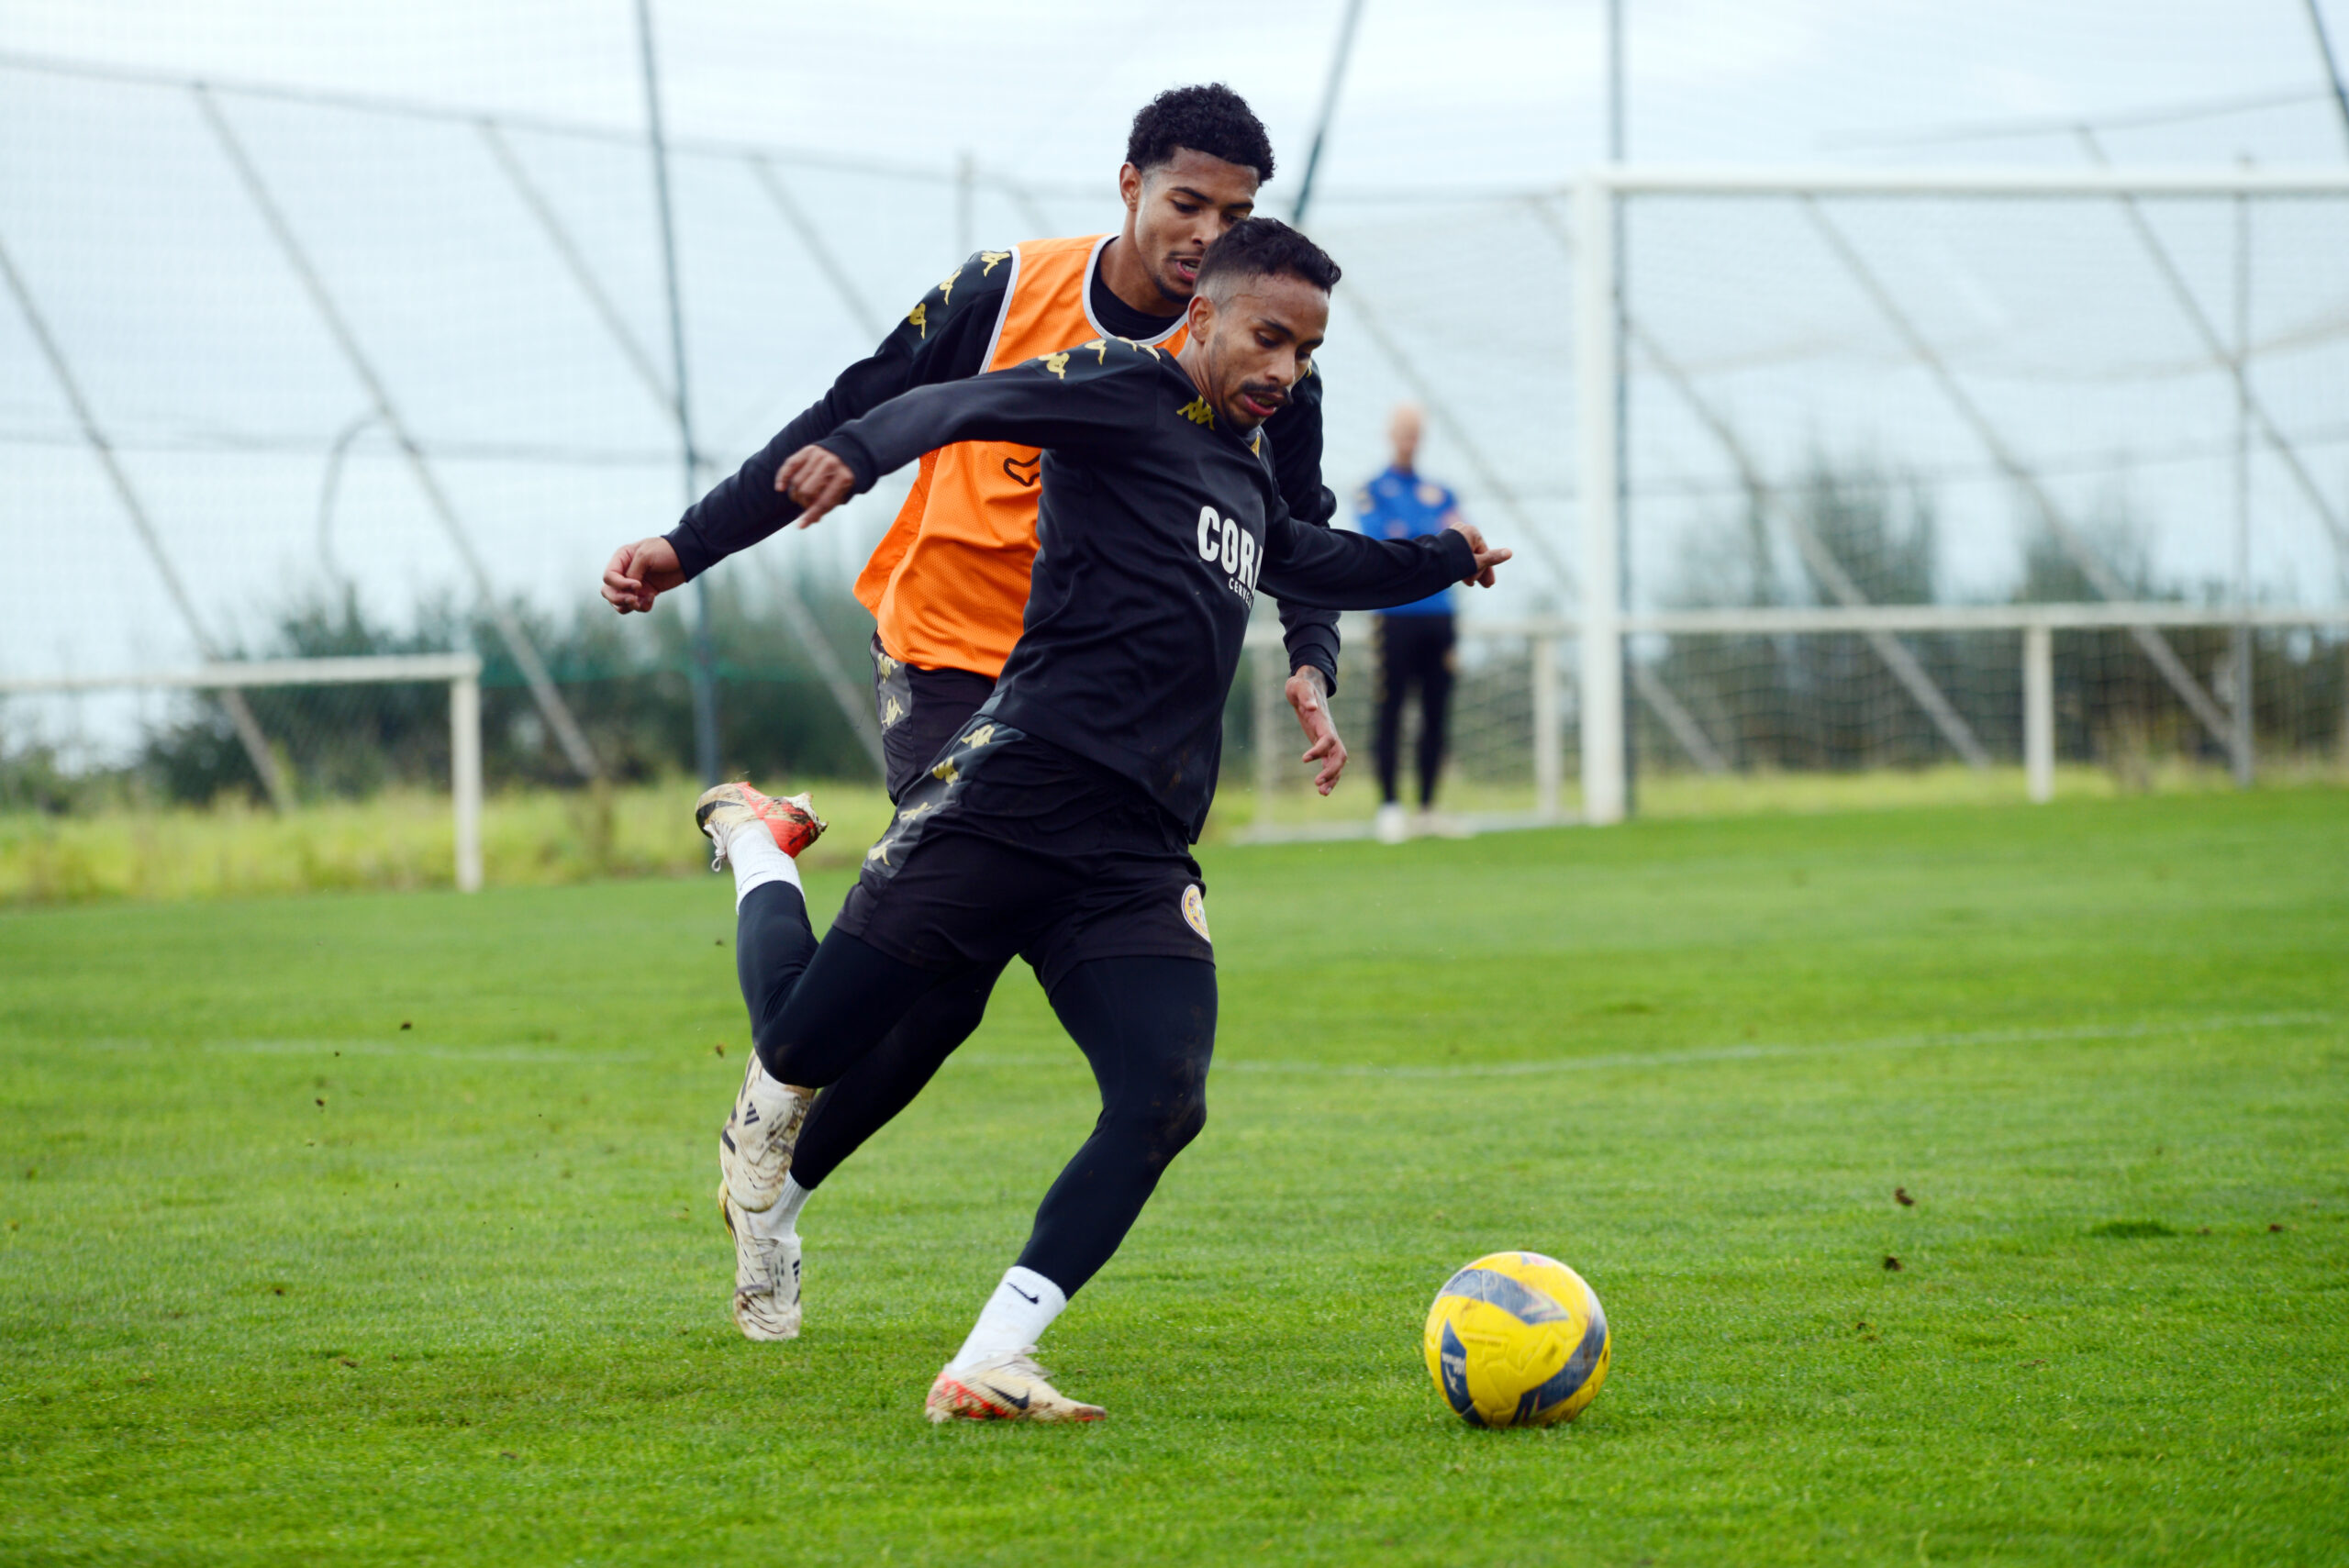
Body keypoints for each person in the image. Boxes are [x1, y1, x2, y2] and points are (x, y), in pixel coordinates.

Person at [706, 218, 1509, 1421]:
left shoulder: (1244, 467)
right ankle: (756, 849)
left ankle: (988, 1358)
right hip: (1012, 797)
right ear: (1205, 316)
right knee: (806, 1042)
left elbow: (1306, 556)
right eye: (1268, 336)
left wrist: (1441, 556)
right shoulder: (1120, 388)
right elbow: (964, 401)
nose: (1285, 367)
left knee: (1163, 1097)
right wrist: (853, 453)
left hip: (1136, 848)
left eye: (1306, 349)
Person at [598, 85, 1357, 1344]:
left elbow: (1300, 532)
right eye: (1187, 203)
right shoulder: (1007, 291)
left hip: (1100, 711)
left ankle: (772, 1187)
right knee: (930, 982)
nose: (1207, 234)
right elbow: (853, 409)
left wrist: (1312, 659)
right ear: (1130, 185)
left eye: (1235, 215)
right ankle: (763, 924)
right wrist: (688, 545)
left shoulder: (1262, 352)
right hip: (953, 664)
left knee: (941, 999)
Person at [1354, 404, 1470, 844]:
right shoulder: (1372, 490)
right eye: (1403, 430)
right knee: (1391, 710)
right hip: (1395, 615)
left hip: (1440, 615)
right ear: (1391, 433)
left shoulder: (1441, 491)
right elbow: (1381, 542)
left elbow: (1457, 540)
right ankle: (1389, 806)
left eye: (1416, 431)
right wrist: (1429, 541)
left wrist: (1418, 538)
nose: (1409, 438)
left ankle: (1427, 807)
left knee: (1437, 713)